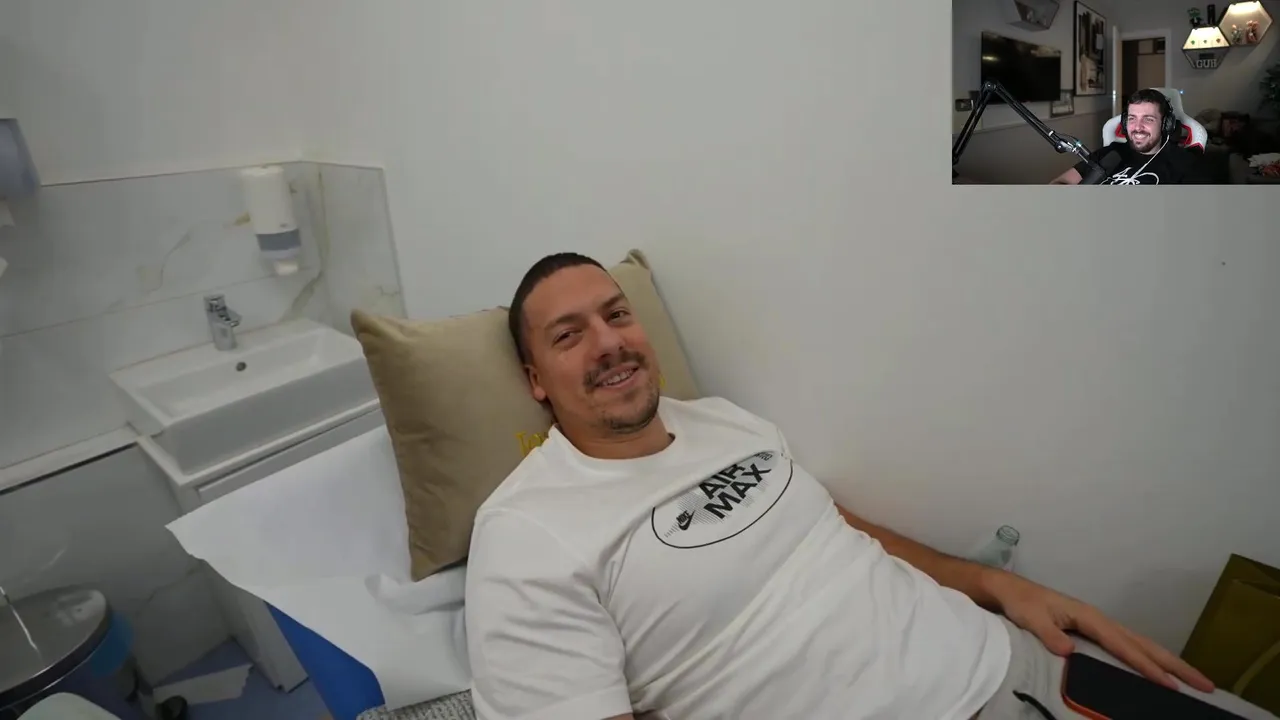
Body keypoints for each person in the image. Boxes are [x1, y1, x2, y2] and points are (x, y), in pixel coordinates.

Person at [464, 253, 1274, 719]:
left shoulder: (724, 422)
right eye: (569, 336)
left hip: (1020, 666)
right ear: (535, 380)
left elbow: (838, 529)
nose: (609, 344)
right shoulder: (527, 534)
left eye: (617, 315)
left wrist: (993, 584)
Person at [1050, 88, 1214, 185]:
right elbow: (1059, 183)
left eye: (1148, 119)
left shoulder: (1185, 163)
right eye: (1132, 118)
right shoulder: (1110, 153)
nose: (1137, 127)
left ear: (1166, 124)